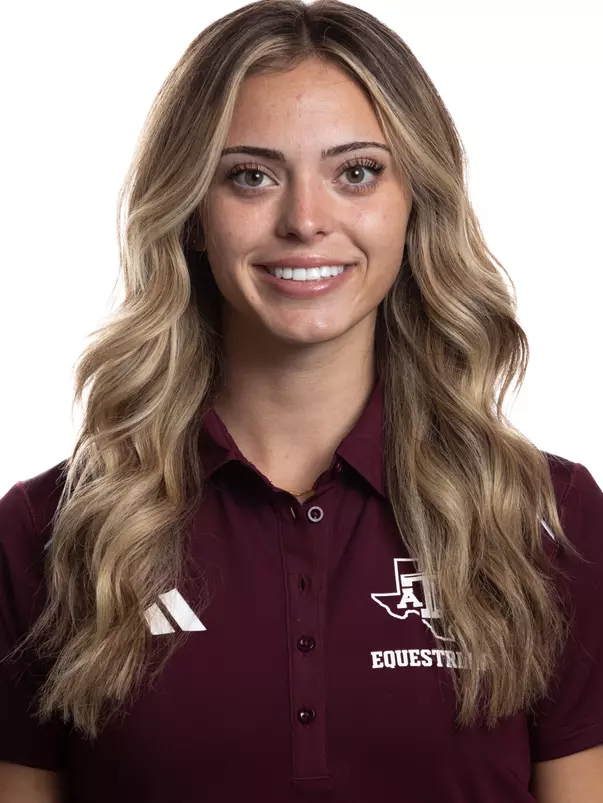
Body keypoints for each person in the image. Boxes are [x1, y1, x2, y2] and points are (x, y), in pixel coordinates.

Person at [1, 1, 602, 800]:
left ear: (415, 201)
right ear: (191, 212)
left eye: (356, 172)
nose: (305, 221)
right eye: (250, 176)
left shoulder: (547, 518)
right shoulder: (48, 533)